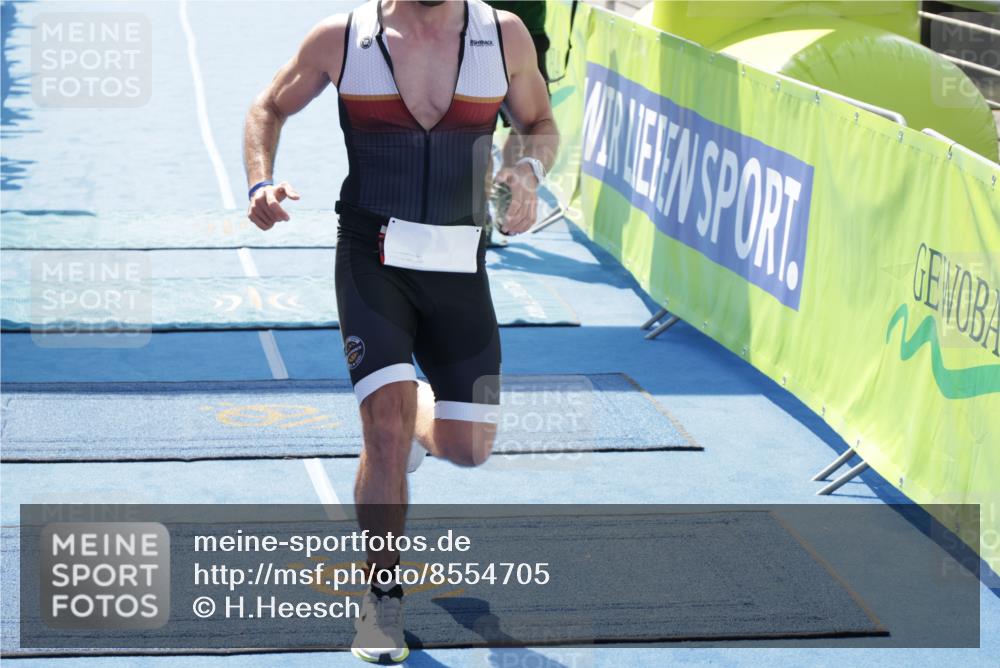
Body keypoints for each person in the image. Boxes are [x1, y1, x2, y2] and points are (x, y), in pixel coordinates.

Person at [243, 0, 557, 663]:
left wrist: (524, 171)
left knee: (467, 447)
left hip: (457, 262)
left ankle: (415, 411)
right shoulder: (342, 38)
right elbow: (267, 108)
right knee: (381, 436)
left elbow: (538, 123)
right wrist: (260, 182)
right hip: (371, 259)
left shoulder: (501, 35)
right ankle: (382, 602)